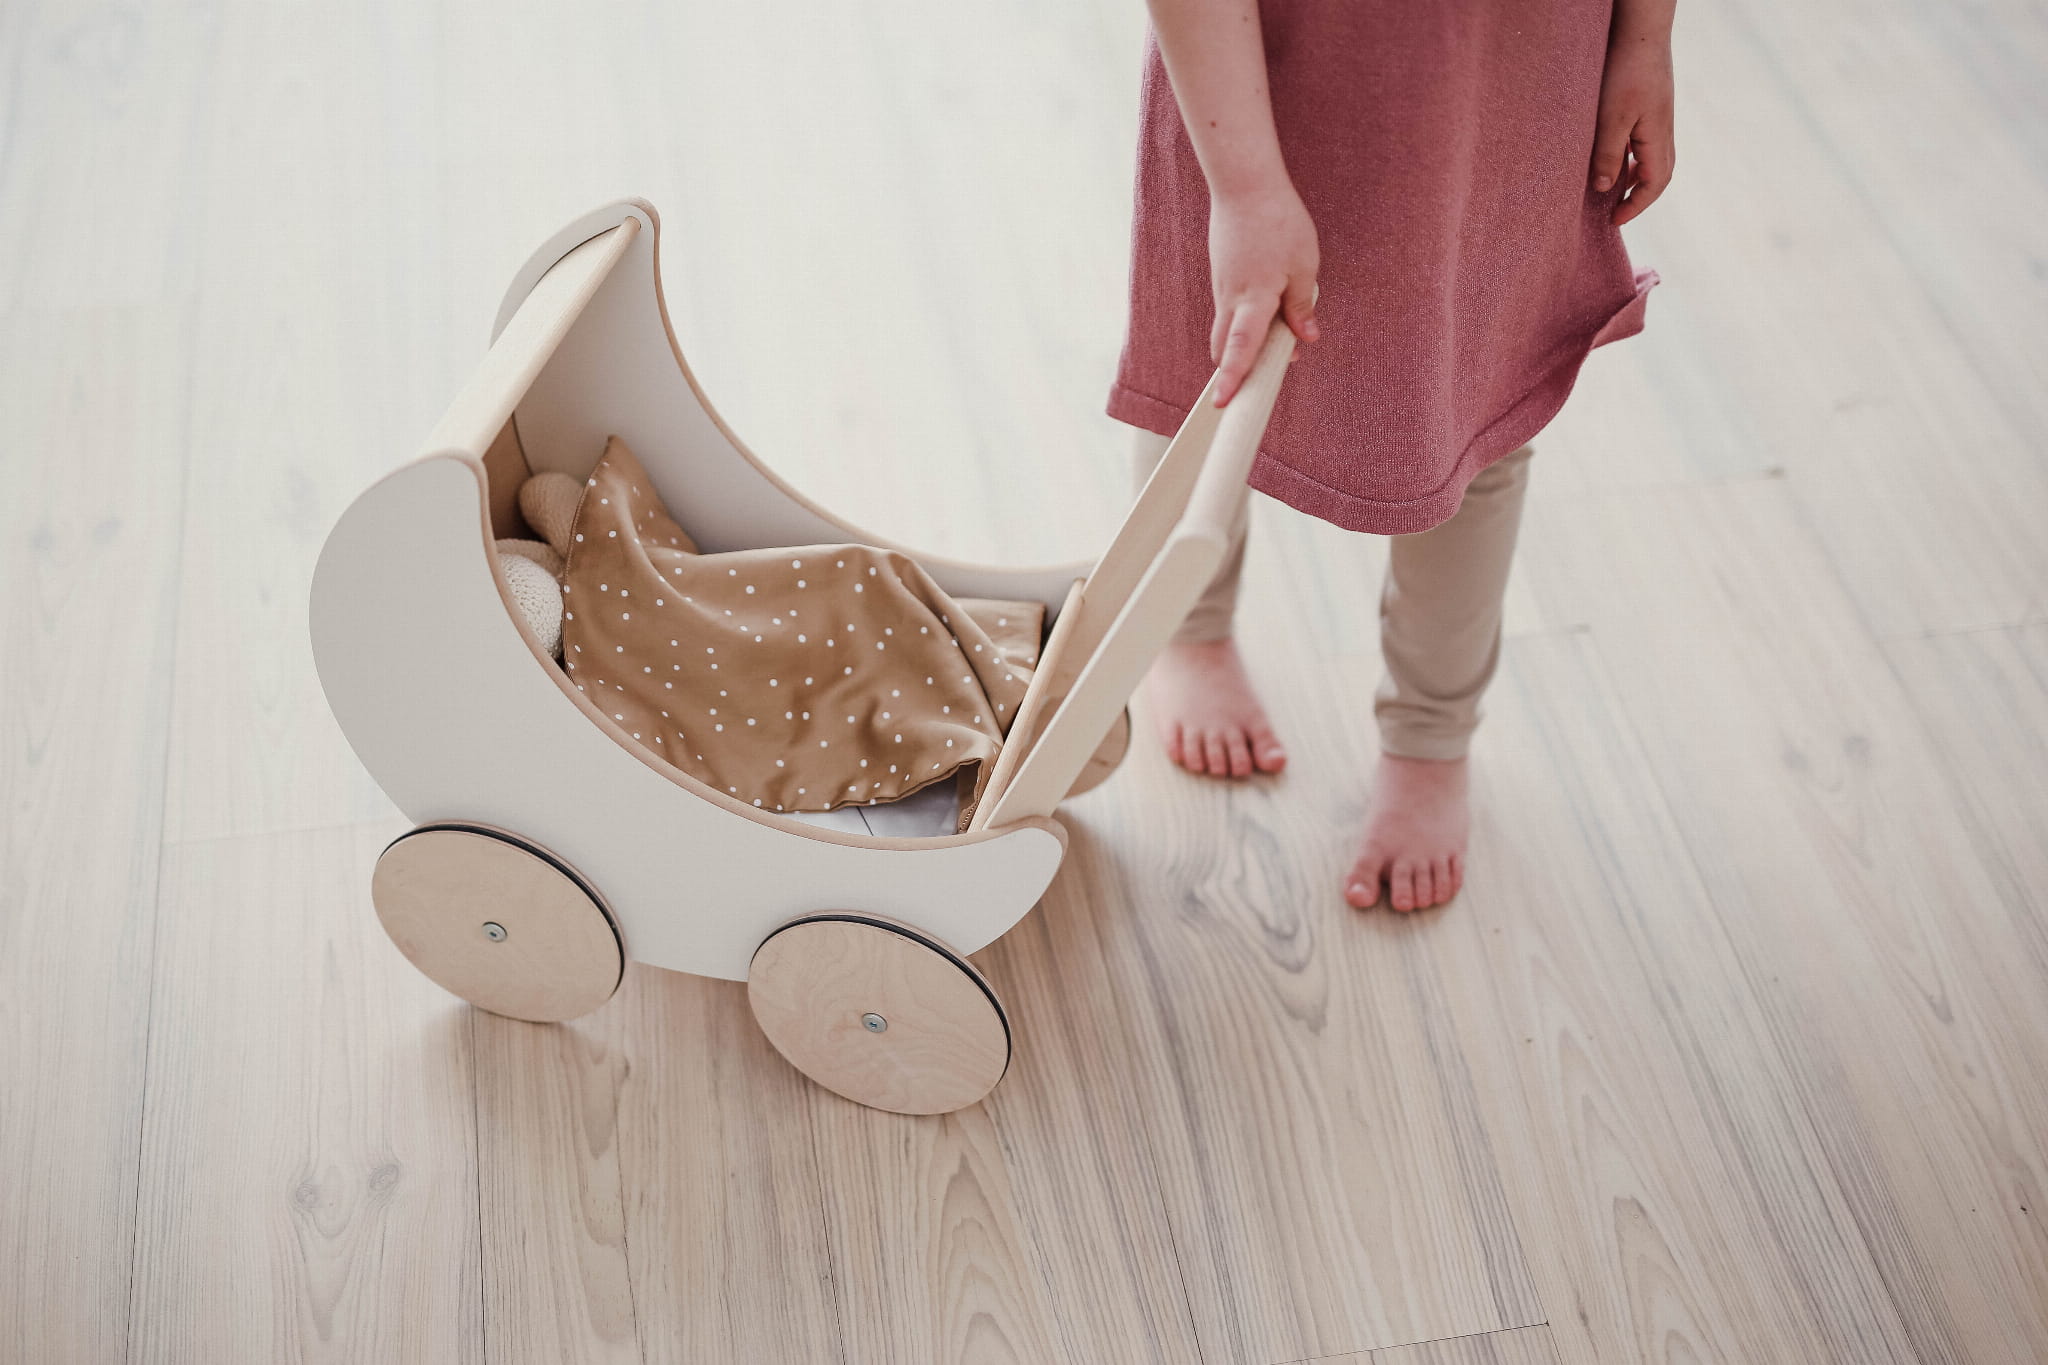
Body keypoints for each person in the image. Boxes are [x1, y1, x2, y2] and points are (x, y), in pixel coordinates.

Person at [1112, 0, 1673, 912]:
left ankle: (1429, 739)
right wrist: (1246, 190)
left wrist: (1644, 41)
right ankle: (1188, 626)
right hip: (1255, 91)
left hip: (1515, 82)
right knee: (1209, 370)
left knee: (1478, 413)